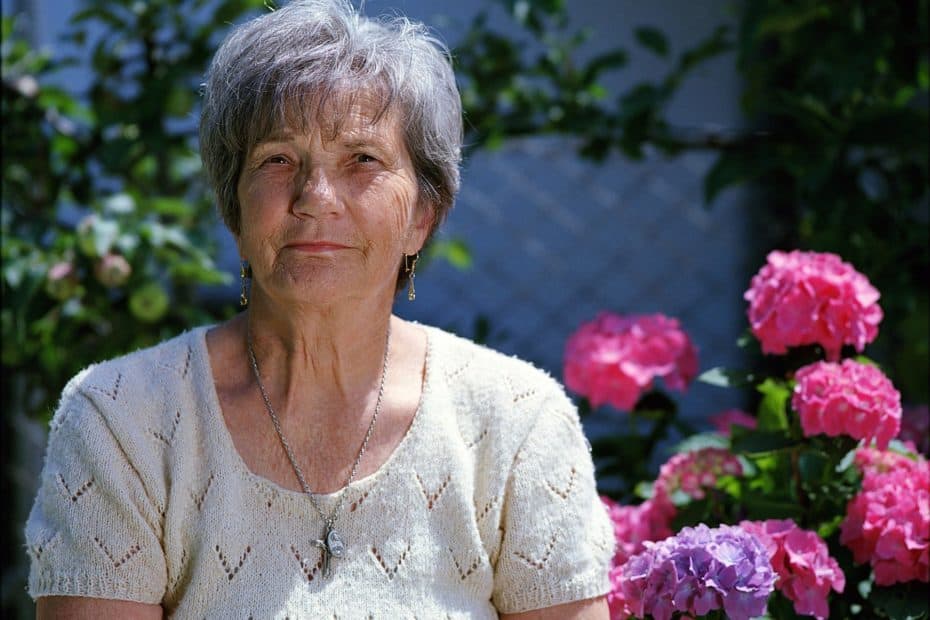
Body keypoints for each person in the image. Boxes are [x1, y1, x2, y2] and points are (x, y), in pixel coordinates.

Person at [24, 1, 613, 617]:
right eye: (278, 159)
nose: (315, 198)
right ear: (235, 210)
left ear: (421, 217)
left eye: (362, 160)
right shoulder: (120, 418)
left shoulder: (517, 423)